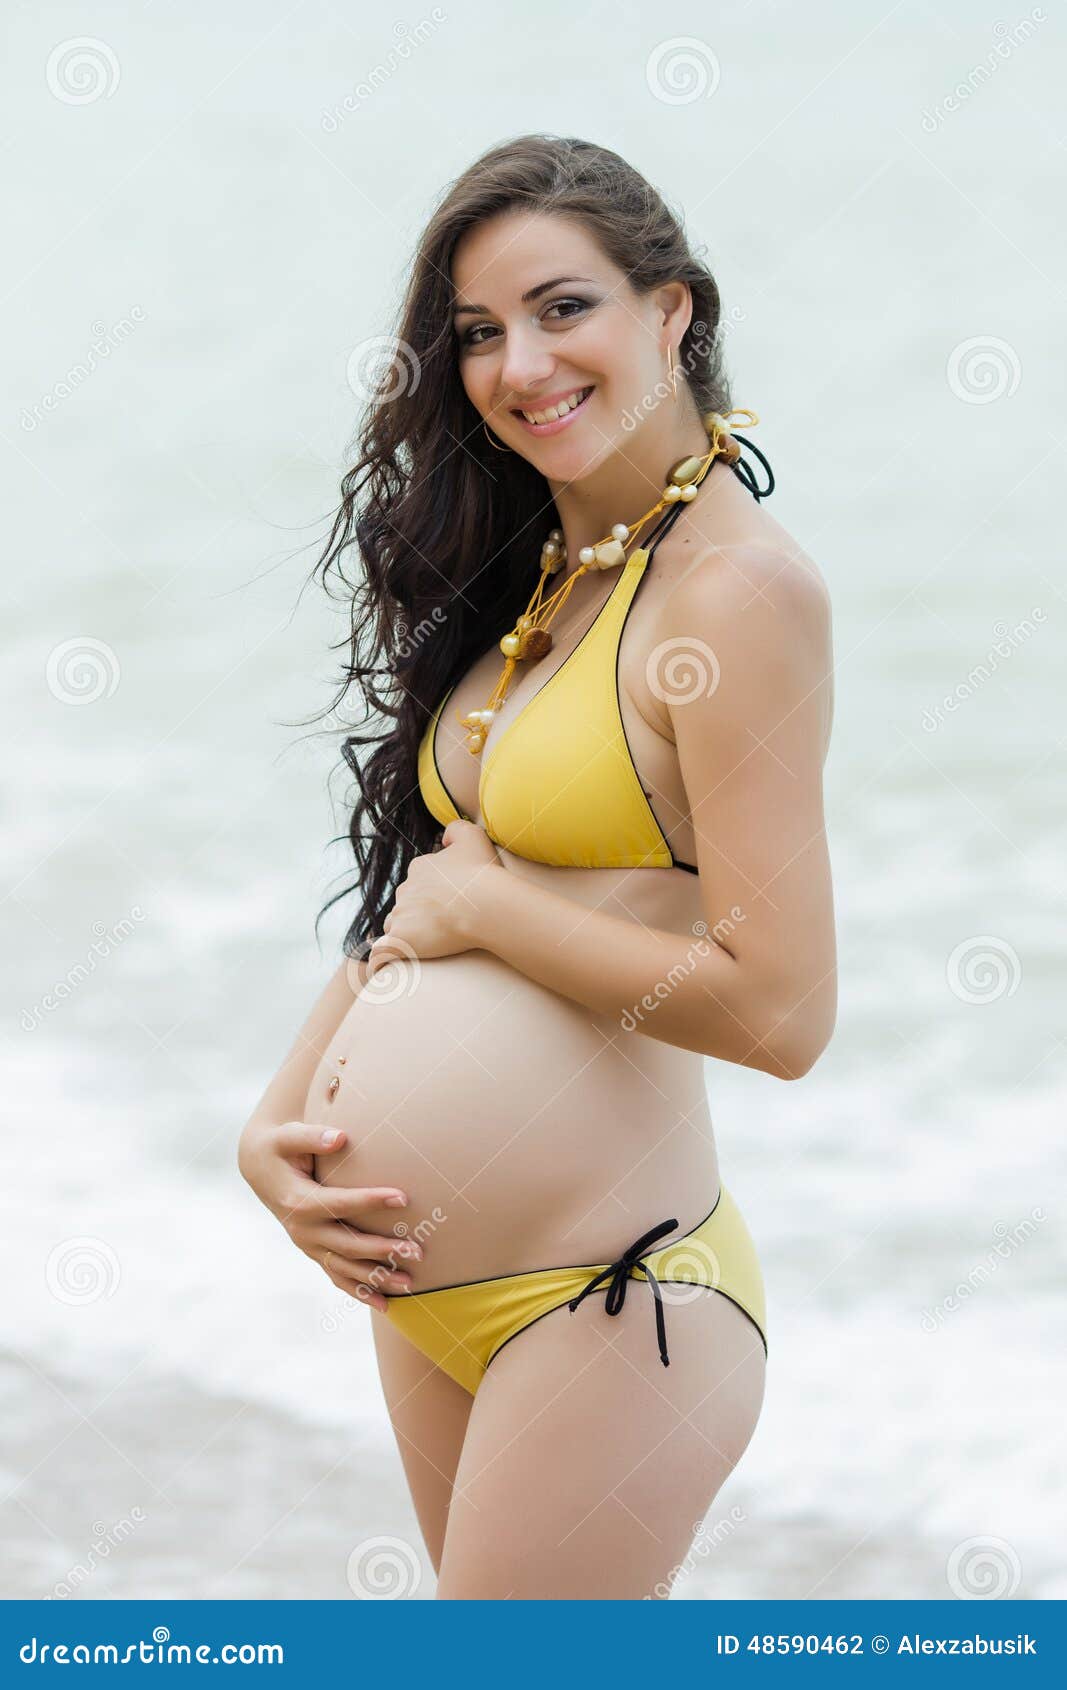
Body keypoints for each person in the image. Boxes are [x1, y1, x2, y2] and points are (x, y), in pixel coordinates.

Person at [238, 133, 836, 1600]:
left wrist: (492, 906)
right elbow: (436, 885)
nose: (521, 365)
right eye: (480, 334)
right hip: (430, 1293)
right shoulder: (551, 580)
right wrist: (274, 1115)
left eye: (564, 308)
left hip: (614, 1299)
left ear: (673, 312)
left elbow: (782, 1010)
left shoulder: (737, 591)